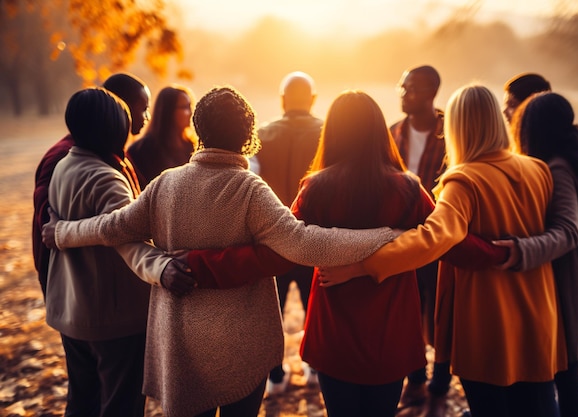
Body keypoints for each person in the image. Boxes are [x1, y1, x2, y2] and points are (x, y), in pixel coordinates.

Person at [42, 86, 400, 417]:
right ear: (248, 135)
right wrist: (384, 235)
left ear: (199, 130)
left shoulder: (166, 184)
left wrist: (61, 232)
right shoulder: (250, 190)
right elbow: (306, 243)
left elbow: (109, 227)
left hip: (179, 343)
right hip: (243, 344)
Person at [320, 84, 567, 417]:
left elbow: (435, 237)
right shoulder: (538, 170)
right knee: (537, 405)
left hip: (488, 316)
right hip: (540, 314)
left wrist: (365, 265)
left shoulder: (463, 180)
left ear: (457, 127)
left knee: (492, 408)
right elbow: (560, 235)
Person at [45, 87, 195, 417]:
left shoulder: (65, 165)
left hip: (71, 310)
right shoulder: (104, 177)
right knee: (121, 404)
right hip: (111, 317)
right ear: (112, 127)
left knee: (82, 401)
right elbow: (128, 240)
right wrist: (163, 269)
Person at [494, 92, 578, 417]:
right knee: (568, 379)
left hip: (566, 295)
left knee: (563, 381)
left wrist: (522, 250)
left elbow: (568, 232)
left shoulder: (559, 169)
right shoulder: (577, 159)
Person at [32, 72, 151, 298]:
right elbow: (48, 225)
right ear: (116, 108)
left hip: (104, 285)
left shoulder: (112, 151)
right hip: (77, 287)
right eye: (142, 107)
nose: (147, 116)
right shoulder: (65, 156)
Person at [254, 71, 323, 392]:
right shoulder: (327, 133)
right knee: (316, 307)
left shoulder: (263, 135)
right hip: (314, 236)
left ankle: (275, 374)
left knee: (272, 312)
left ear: (283, 100)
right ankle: (314, 369)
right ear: (312, 100)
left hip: (274, 237)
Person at [389, 65, 450, 416]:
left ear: (429, 93)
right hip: (401, 239)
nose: (402, 93)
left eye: (409, 88)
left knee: (440, 312)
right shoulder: (391, 133)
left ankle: (440, 381)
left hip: (441, 239)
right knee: (408, 309)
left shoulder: (451, 133)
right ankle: (416, 379)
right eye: (401, 86)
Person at [127, 84, 197, 189]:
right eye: (185, 107)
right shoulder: (141, 150)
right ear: (168, 111)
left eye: (190, 106)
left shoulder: (191, 146)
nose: (191, 112)